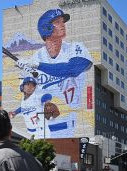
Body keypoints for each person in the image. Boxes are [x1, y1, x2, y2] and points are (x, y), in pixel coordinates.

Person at [17, 8, 93, 138]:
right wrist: (25, 74)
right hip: (40, 128)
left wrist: (37, 66)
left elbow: (72, 69)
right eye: (57, 22)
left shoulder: (75, 48)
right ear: (46, 28)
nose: (63, 24)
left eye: (63, 21)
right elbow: (27, 96)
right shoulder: (35, 58)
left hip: (67, 126)